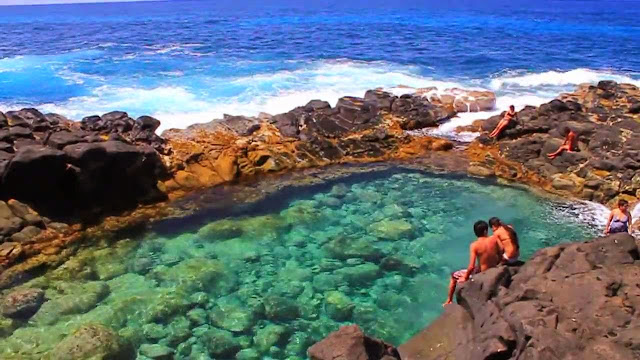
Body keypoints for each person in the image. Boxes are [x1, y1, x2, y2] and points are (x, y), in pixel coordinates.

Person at [443, 220, 502, 306]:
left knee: (453, 275)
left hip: (482, 272)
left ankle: (449, 300)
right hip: (494, 267)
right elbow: (500, 253)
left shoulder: (474, 245)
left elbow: (471, 266)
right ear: (485, 231)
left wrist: (465, 277)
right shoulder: (494, 239)